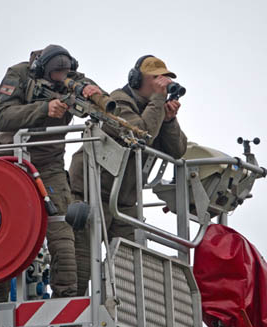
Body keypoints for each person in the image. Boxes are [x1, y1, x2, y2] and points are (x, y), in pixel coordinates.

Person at [69, 55, 188, 297]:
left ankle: (120, 311)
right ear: (137, 80)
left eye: (164, 80)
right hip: (92, 193)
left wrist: (169, 120)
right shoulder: (118, 101)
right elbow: (140, 133)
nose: (162, 85)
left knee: (129, 264)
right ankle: (70, 311)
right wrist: (157, 100)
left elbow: (178, 150)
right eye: (156, 79)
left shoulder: (153, 109)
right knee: (81, 263)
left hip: (121, 201)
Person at [0, 44, 103, 299]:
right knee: (2, 233)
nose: (60, 79)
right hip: (11, 161)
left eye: (65, 74)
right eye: (56, 74)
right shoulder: (18, 74)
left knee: (63, 232)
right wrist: (44, 109)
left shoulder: (71, 80)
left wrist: (92, 92)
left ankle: (66, 299)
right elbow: (2, 116)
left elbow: (101, 102)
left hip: (49, 165)